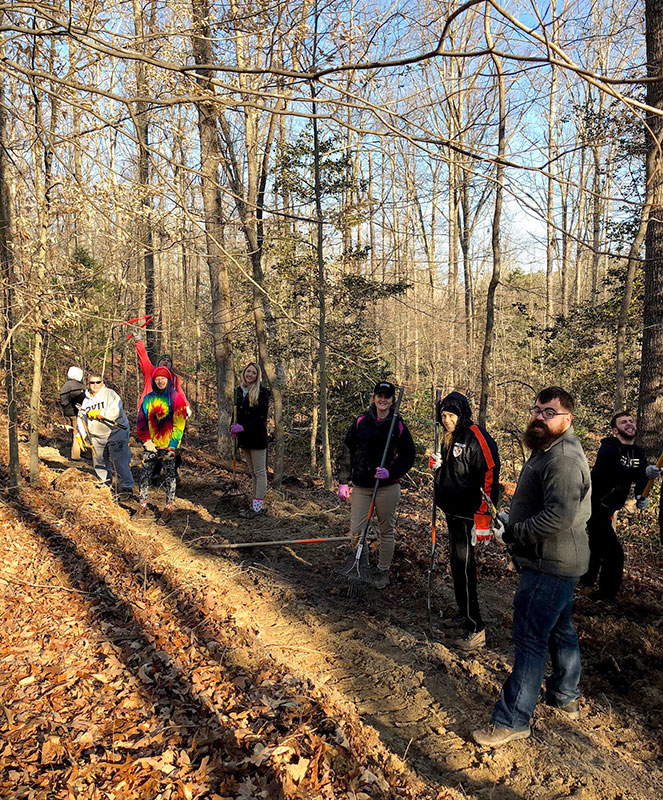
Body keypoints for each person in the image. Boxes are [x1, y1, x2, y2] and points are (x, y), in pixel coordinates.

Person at [473, 386, 591, 748]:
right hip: (554, 560)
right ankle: (565, 693)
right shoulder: (549, 449)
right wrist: (512, 517)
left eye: (549, 412)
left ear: (566, 419)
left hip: (551, 562)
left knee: (529, 637)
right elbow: (545, 503)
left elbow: (559, 514)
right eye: (537, 410)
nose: (539, 417)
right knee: (559, 628)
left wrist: (515, 532)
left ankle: (512, 719)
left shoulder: (564, 459)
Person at [430, 391, 500, 652]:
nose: (447, 420)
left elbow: (490, 474)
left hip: (470, 514)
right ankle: (463, 613)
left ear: (462, 414)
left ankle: (476, 627)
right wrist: (436, 465)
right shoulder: (450, 436)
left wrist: (484, 517)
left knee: (466, 566)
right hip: (452, 511)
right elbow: (452, 468)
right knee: (457, 564)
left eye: (451, 415)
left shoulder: (475, 436)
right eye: (444, 415)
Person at [336, 381, 416, 589]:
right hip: (362, 485)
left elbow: (409, 456)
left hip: (387, 488)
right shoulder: (361, 421)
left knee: (385, 530)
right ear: (374, 398)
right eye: (379, 395)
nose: (382, 399)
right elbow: (347, 451)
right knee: (356, 530)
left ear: (391, 401)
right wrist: (343, 481)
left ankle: (382, 571)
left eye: (387, 396)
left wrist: (392, 472)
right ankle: (361, 564)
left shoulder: (397, 425)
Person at [580, 411, 659, 601]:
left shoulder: (638, 452)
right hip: (594, 505)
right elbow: (616, 471)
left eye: (631, 421)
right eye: (624, 422)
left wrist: (642, 494)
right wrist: (643, 471)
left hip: (611, 507)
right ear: (615, 430)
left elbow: (640, 478)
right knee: (614, 553)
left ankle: (585, 582)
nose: (629, 424)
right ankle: (606, 596)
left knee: (597, 547)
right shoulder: (608, 448)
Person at [134, 366, 187, 524]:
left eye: (163, 378)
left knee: (170, 477)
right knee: (145, 476)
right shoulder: (148, 399)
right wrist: (146, 441)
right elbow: (141, 422)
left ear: (168, 380)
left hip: (169, 446)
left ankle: (168, 507)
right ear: (153, 380)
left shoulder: (176, 398)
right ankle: (142, 505)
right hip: (152, 445)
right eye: (157, 378)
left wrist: (172, 446)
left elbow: (179, 424)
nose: (160, 381)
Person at [77, 373, 134, 496]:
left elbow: (116, 411)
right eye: (92, 383)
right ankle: (104, 487)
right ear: (88, 384)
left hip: (116, 433)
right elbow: (81, 417)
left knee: (120, 462)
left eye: (98, 382)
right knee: (100, 463)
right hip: (96, 437)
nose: (95, 385)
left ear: (102, 383)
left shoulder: (110, 394)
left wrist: (100, 413)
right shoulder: (86, 400)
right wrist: (80, 434)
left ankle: (126, 489)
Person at [230, 362, 270, 516]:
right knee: (252, 472)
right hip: (244, 438)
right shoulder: (239, 391)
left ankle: (257, 507)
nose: (250, 375)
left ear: (257, 375)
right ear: (244, 372)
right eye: (248, 371)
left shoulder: (262, 392)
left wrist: (244, 427)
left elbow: (261, 417)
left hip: (257, 437)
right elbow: (236, 413)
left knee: (260, 472)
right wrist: (232, 427)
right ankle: (255, 504)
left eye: (253, 373)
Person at [132, 330, 191, 417]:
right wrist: (138, 340)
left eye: (168, 361)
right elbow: (143, 357)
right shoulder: (150, 371)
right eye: (163, 360)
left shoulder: (174, 378)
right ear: (158, 363)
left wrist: (186, 406)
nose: (166, 362)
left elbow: (179, 392)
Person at [58, 366, 86, 460]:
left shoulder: (66, 385)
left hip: (68, 412)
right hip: (76, 413)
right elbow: (81, 400)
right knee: (78, 433)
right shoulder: (76, 386)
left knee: (75, 432)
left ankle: (77, 452)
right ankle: (76, 456)